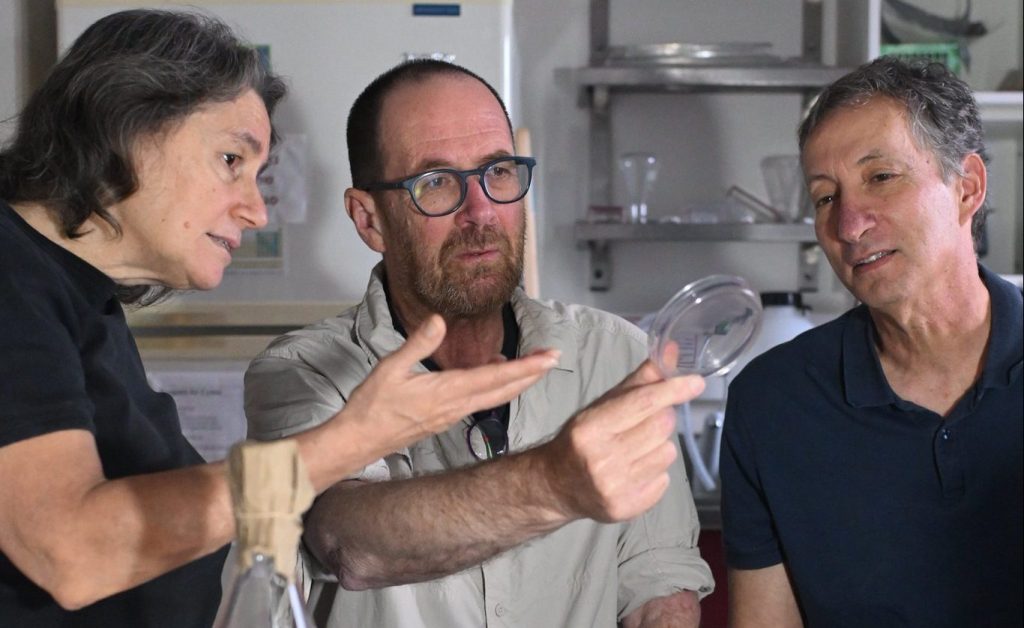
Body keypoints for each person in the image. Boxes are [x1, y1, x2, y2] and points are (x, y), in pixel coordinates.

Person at [0, 11, 558, 626]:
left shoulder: (74, 295)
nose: (255, 211)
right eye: (231, 160)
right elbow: (71, 553)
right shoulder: (10, 277)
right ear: (128, 124)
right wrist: (354, 438)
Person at [244, 59, 715, 628]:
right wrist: (552, 483)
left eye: (498, 171)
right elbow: (349, 542)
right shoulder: (303, 371)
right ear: (370, 220)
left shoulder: (614, 356)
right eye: (435, 182)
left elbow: (659, 584)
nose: (482, 211)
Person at [721, 56, 1022, 628]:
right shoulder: (771, 404)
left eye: (880, 177)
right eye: (825, 197)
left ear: (967, 187)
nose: (848, 224)